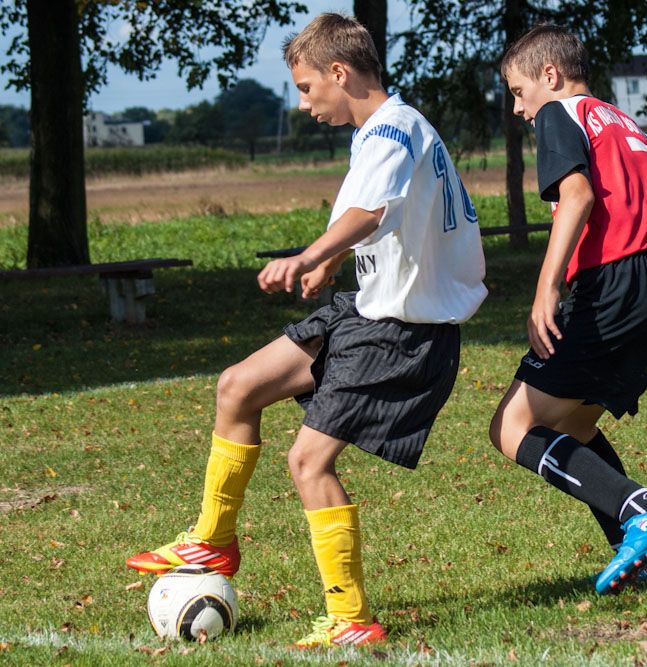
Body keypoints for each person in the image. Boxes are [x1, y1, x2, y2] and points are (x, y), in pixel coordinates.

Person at [126, 13, 487, 647]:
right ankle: (212, 543)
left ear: (339, 73)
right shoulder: (387, 130)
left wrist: (309, 254)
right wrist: (334, 261)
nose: (302, 103)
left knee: (308, 461)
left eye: (306, 86)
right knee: (237, 387)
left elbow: (369, 209)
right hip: (368, 309)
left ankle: (350, 619)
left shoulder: (391, 131)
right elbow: (389, 218)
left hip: (404, 330)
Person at [489, 25, 647, 594]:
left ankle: (643, 508)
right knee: (574, 424)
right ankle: (644, 552)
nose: (518, 108)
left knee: (511, 425)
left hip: (615, 284)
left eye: (518, 91)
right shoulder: (629, 128)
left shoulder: (560, 115)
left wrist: (546, 288)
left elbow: (578, 196)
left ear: (550, 76)